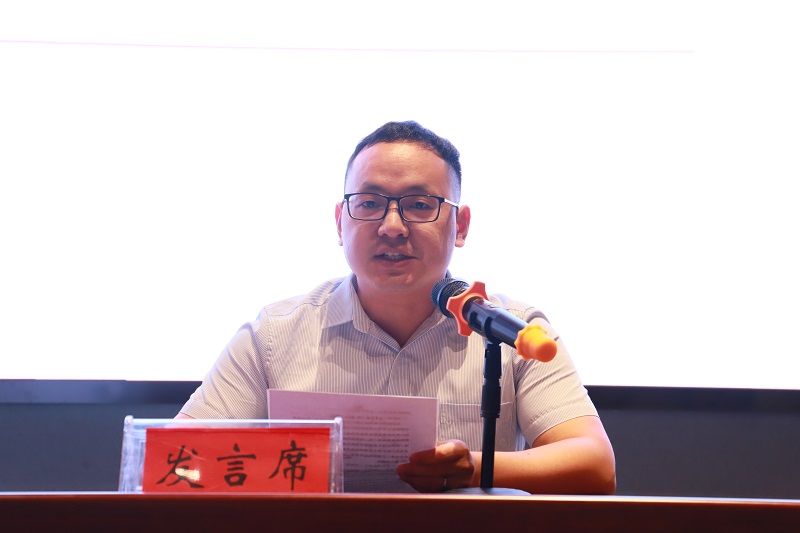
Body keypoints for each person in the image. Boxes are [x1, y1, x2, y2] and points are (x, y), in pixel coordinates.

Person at [176, 120, 616, 494]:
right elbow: (177, 461)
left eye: (419, 205)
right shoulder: (274, 335)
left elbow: (595, 465)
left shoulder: (510, 329)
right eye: (369, 203)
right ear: (341, 222)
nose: (391, 227)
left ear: (460, 225)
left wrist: (474, 468)